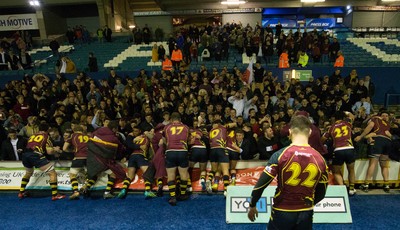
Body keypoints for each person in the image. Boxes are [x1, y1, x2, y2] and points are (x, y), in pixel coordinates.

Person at [248, 115, 328, 229]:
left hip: (282, 211)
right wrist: (309, 204)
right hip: (306, 212)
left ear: (289, 132)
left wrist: (252, 205)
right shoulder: (321, 159)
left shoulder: (280, 155)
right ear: (310, 132)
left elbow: (260, 186)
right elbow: (322, 192)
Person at [81, 120, 130, 199]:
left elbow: (90, 141)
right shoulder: (113, 138)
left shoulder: (97, 131)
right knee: (113, 174)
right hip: (104, 161)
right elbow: (120, 149)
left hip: (93, 158)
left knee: (95, 174)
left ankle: (86, 187)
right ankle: (107, 192)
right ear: (114, 129)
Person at [18, 123, 66, 200]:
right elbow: (49, 151)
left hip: (25, 155)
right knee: (52, 173)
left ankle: (21, 192)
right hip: (35, 155)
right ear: (47, 130)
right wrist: (56, 149)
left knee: (28, 173)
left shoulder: (32, 135)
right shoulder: (46, 137)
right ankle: (55, 195)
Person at [354, 110, 392, 193]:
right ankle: (386, 185)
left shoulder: (375, 119)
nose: (385, 117)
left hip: (378, 141)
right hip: (387, 143)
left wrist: (361, 136)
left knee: (373, 163)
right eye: (384, 115)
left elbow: (370, 126)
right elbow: (388, 134)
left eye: (386, 115)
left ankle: (366, 184)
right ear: (381, 116)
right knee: (384, 165)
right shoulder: (388, 124)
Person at [321, 111, 356, 195]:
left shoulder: (331, 127)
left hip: (338, 150)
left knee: (336, 171)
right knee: (351, 170)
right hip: (349, 148)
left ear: (334, 119)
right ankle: (351, 189)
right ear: (344, 117)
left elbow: (322, 139)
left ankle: (342, 189)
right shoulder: (348, 123)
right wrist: (346, 112)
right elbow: (352, 116)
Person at [117, 127, 157, 199]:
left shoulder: (137, 138)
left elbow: (131, 144)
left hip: (132, 156)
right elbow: (148, 148)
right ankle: (148, 190)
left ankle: (123, 190)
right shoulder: (148, 138)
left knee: (130, 176)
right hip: (140, 155)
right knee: (147, 173)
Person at [163, 112, 190, 206]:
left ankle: (173, 197)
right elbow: (188, 140)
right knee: (183, 174)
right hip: (182, 151)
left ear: (171, 120)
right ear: (180, 119)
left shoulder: (167, 127)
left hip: (170, 151)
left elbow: (164, 140)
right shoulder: (186, 127)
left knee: (171, 175)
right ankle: (182, 195)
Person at [62, 125, 89, 200]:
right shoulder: (87, 136)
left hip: (79, 158)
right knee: (89, 174)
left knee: (72, 175)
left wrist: (72, 151)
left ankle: (76, 191)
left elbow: (64, 148)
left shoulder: (73, 136)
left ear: (74, 131)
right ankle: (85, 186)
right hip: (89, 158)